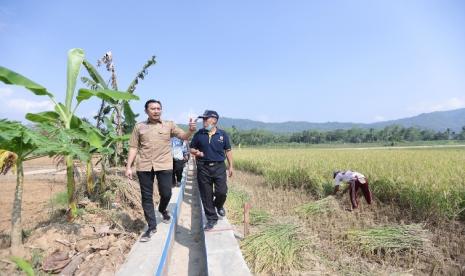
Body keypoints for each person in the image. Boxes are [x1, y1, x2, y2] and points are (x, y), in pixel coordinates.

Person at [125, 99, 196, 242]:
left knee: (166, 192)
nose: (156, 111)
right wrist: (128, 167)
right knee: (146, 196)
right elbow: (133, 147)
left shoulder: (169, 125)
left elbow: (183, 136)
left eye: (158, 108)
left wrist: (191, 130)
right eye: (153, 109)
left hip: (164, 164)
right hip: (144, 165)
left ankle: (163, 209)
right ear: (146, 111)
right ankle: (151, 226)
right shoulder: (139, 127)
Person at [190, 110, 233, 231]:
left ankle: (218, 205)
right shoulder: (199, 134)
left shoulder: (222, 135)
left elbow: (228, 150)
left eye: (205, 119)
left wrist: (231, 166)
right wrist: (197, 152)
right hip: (203, 167)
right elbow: (191, 148)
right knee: (206, 194)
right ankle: (211, 219)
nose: (203, 121)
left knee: (221, 192)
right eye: (203, 119)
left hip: (219, 167)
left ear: (214, 120)